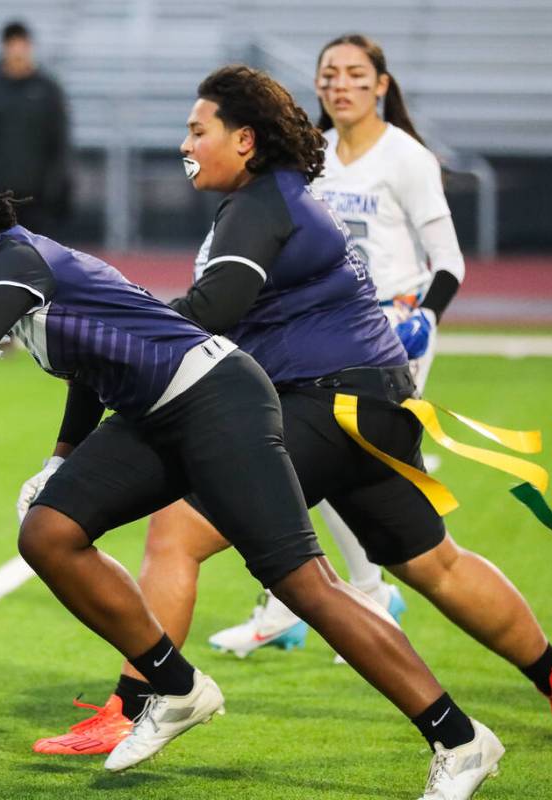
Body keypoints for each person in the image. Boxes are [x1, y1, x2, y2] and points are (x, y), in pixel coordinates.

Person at [0, 175, 504, 797]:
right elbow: (89, 364)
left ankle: (459, 738)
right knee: (49, 531)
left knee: (301, 583)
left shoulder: (18, 259)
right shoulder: (15, 271)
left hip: (218, 399)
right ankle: (173, 685)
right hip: (158, 409)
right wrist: (62, 456)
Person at [26, 66, 552, 792]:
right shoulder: (266, 199)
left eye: (195, 129)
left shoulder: (259, 206)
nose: (184, 143)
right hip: (367, 402)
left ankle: (140, 700)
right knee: (433, 564)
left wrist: (110, 327)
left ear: (243, 140)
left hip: (325, 402)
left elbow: (214, 307)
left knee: (183, 534)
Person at [209, 33, 466, 660]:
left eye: (355, 74)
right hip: (313, 333)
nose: (340, 84)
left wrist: (425, 318)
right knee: (314, 466)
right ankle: (353, 592)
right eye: (330, 74)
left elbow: (449, 261)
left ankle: (334, 596)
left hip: (385, 337)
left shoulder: (406, 157)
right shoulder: (310, 155)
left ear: (381, 84)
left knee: (320, 463)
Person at [0, 20, 71, 236]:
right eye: (12, 45)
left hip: (36, 199)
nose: (17, 52)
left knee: (36, 260)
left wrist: (54, 188)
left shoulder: (48, 91)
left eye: (22, 45)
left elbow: (59, 142)